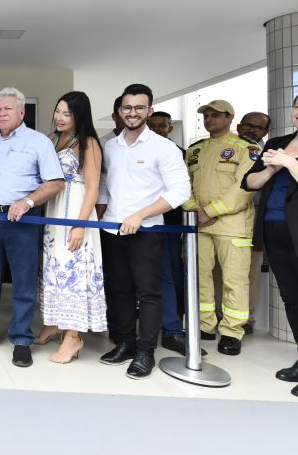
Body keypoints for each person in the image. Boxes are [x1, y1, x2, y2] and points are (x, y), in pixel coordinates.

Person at [0, 87, 64, 367]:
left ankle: (21, 339)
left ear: (21, 111)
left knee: (23, 281)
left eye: (8, 108)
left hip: (23, 220)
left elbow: (55, 183)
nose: (2, 113)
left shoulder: (38, 142)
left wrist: (27, 202)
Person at [97, 84, 190, 379]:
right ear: (119, 111)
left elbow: (180, 191)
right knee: (120, 290)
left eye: (139, 107)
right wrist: (100, 218)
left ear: (149, 111)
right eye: (127, 108)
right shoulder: (110, 146)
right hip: (111, 229)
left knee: (148, 293)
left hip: (146, 231)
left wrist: (140, 214)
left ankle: (145, 352)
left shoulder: (163, 147)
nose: (132, 113)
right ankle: (126, 343)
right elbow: (103, 186)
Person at [35, 91, 107, 363]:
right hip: (53, 210)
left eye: (67, 113)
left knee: (74, 271)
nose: (60, 117)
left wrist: (80, 224)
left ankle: (74, 336)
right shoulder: (51, 138)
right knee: (52, 268)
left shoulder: (88, 143)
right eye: (58, 111)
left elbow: (93, 188)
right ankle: (55, 322)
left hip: (76, 209)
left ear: (79, 116)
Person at [183, 100, 257, 356]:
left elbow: (244, 187)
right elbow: (183, 183)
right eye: (206, 115)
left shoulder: (245, 148)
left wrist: (210, 211)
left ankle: (232, 332)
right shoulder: (195, 150)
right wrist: (195, 210)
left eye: (215, 115)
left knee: (234, 281)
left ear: (229, 118)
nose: (209, 119)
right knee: (200, 278)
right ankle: (205, 325)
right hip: (199, 225)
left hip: (232, 225)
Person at [242, 93, 298, 398]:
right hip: (274, 230)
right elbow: (250, 183)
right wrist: (270, 170)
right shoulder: (277, 142)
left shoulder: (284, 153)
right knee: (292, 298)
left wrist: (288, 162)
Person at [146, 111, 193, 355]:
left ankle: (173, 328)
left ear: (169, 128)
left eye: (161, 126)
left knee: (171, 273)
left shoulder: (181, 153)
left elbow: (184, 189)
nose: (157, 129)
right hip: (140, 222)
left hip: (170, 223)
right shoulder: (136, 149)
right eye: (152, 125)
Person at [236, 110, 271, 333]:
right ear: (239, 126)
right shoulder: (227, 148)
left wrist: (260, 231)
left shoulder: (270, 154)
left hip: (255, 216)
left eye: (258, 127)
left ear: (265, 132)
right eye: (248, 125)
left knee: (250, 271)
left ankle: (245, 319)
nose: (252, 130)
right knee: (218, 271)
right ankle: (218, 314)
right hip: (223, 218)